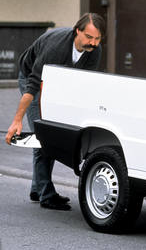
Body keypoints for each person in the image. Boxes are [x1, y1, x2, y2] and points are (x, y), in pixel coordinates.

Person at [4, 13, 105, 210]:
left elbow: (84, 83)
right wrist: (17, 120)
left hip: (58, 84)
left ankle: (37, 187)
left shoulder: (95, 51)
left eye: (97, 39)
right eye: (89, 37)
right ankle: (46, 194)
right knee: (44, 136)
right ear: (78, 31)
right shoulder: (57, 47)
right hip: (32, 81)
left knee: (50, 134)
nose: (93, 43)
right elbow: (32, 85)